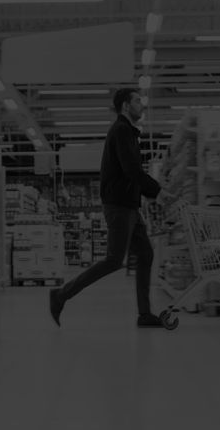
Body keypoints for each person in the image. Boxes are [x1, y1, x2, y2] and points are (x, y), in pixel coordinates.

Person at [49, 88, 176, 328]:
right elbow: (131, 169)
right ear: (126, 106)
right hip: (119, 206)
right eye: (138, 101)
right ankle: (60, 295)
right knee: (114, 260)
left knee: (146, 253)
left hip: (129, 206)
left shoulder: (127, 132)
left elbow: (131, 173)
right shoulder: (121, 131)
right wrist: (157, 191)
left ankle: (144, 313)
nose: (142, 105)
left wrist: (153, 194)